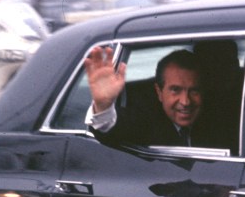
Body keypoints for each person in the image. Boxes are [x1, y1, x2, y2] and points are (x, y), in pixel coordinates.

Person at [84, 47, 219, 148]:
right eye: (175, 90)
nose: (185, 101)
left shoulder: (217, 120)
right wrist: (103, 106)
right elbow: (112, 127)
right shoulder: (146, 120)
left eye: (194, 91)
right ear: (159, 92)